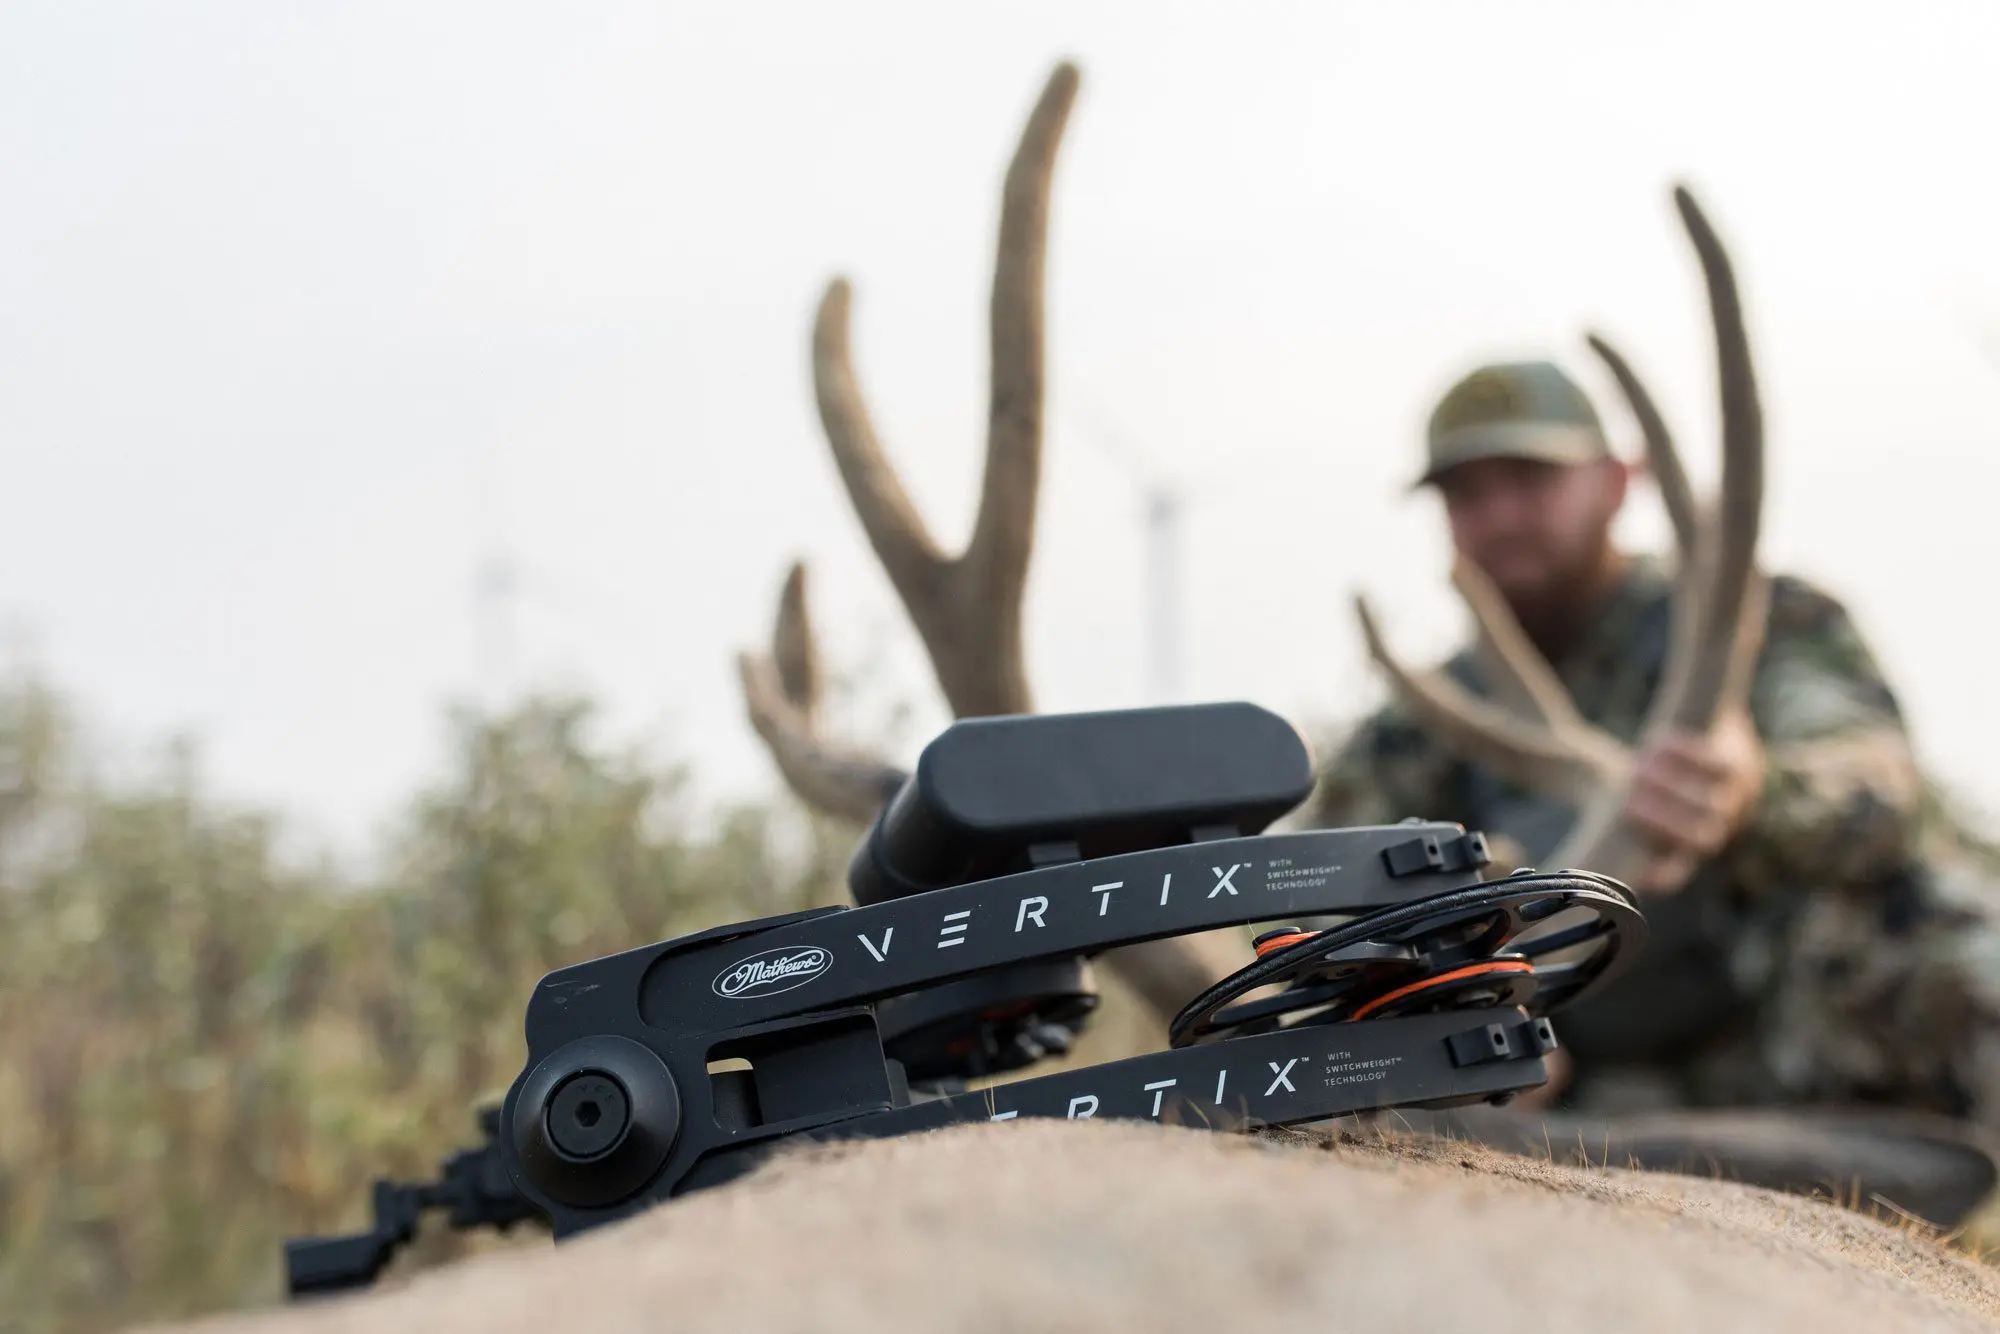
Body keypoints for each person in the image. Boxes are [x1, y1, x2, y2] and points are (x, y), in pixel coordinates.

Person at [1311, 357, 2000, 1120]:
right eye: (1467, 494)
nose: (1501, 516)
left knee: (1934, 928)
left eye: (1531, 480)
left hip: (1781, 1039)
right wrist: (1454, 1013)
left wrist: (1752, 791)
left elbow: (1875, 778)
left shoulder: (1768, 622)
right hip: (1583, 1080)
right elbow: (1314, 889)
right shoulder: (1426, 721)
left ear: (1616, 481)